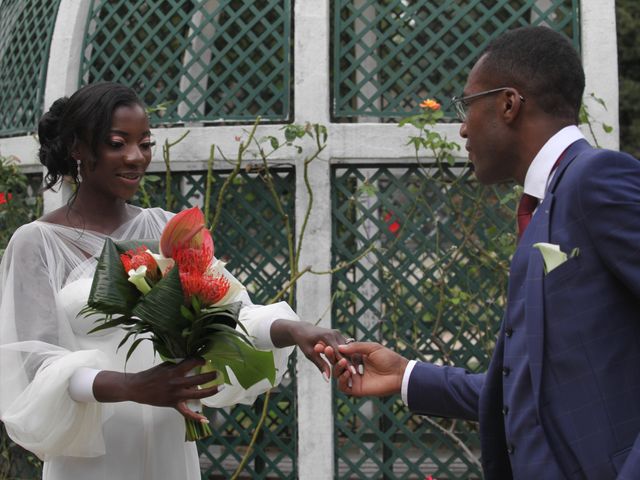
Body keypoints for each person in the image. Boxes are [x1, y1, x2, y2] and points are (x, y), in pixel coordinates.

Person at [321, 26, 640, 479]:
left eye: (467, 104)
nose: (463, 126)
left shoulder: (596, 179)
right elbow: (529, 388)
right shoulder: (546, 205)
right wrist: (405, 374)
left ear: (509, 104)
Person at [0, 82, 350, 480]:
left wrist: (296, 328)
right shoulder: (37, 242)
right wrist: (132, 386)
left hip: (171, 443)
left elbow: (228, 312)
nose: (135, 157)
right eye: (118, 143)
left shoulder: (166, 228)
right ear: (79, 148)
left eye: (145, 143)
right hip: (93, 454)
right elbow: (36, 364)